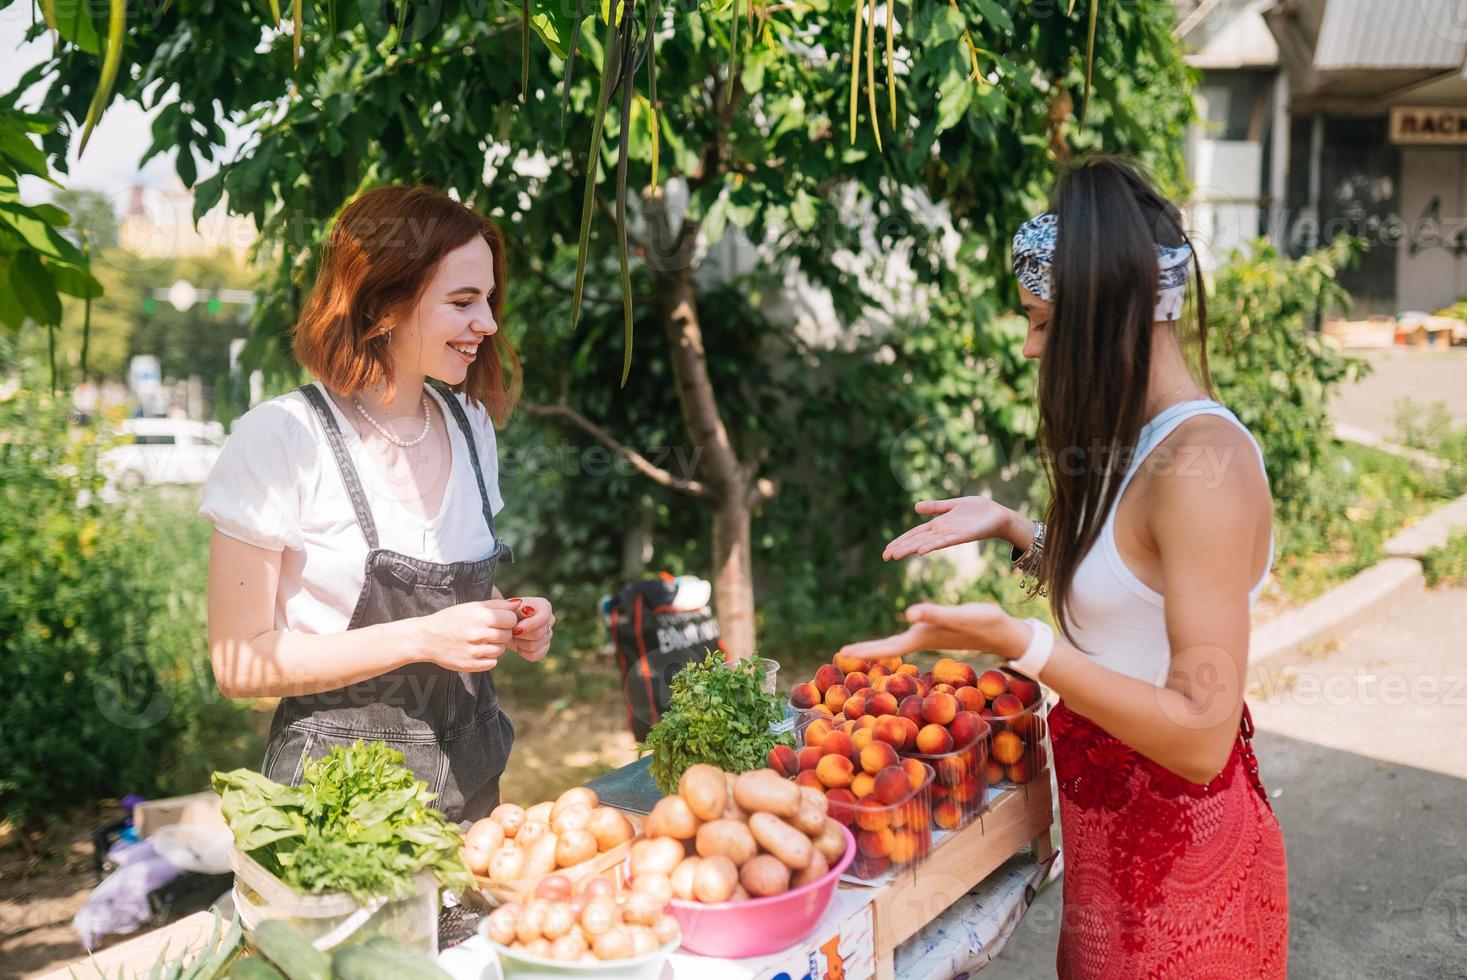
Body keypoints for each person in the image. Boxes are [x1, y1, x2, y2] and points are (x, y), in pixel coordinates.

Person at [840, 157, 1288, 978]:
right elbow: (1128, 601)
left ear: (1110, 317)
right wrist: (1017, 528)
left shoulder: (1203, 467)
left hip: (1182, 866)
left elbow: (1199, 734)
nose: (1028, 343)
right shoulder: (1138, 442)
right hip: (1107, 839)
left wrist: (1025, 645)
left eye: (1042, 321)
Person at [201, 185, 554, 822]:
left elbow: (451, 601)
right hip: (340, 814)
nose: (490, 323)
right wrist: (424, 638)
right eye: (463, 301)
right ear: (385, 304)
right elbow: (238, 664)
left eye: (490, 300)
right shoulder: (281, 438)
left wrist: (512, 616)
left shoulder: (470, 423)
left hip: (472, 793)